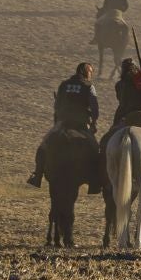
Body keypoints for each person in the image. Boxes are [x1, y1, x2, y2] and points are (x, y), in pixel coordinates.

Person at [30, 61, 101, 189]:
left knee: (43, 146)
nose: (91, 74)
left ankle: (37, 175)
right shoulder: (89, 86)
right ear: (85, 72)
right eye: (91, 72)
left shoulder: (64, 84)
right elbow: (95, 108)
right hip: (80, 124)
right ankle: (95, 181)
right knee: (95, 148)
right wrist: (94, 121)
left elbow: (57, 105)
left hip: (62, 123)